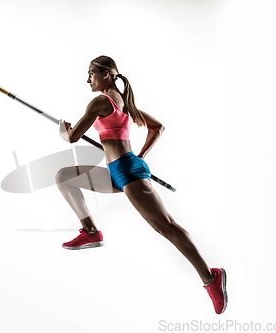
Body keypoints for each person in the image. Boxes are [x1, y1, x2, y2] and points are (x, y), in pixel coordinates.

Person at [56, 56, 227, 314]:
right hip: (118, 171)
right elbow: (157, 127)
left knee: (166, 227)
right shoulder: (122, 103)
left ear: (107, 74)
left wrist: (63, 131)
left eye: (91, 73)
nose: (87, 79)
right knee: (64, 177)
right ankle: (90, 232)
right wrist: (141, 155)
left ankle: (210, 278)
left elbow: (72, 137)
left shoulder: (101, 101)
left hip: (127, 171)